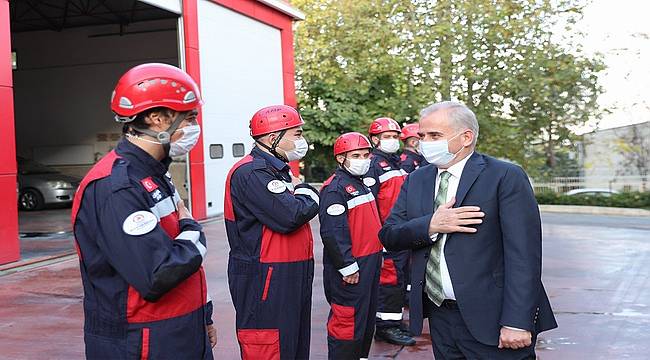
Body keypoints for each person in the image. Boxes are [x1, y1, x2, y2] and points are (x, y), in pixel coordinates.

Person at [379, 101, 558, 359]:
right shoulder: (417, 179)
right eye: (422, 136)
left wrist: (517, 321)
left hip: (495, 320)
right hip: (441, 318)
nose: (424, 142)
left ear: (466, 137)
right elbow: (390, 235)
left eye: (434, 135)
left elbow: (524, 256)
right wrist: (430, 225)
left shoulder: (504, 176)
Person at [71, 63, 216, 359]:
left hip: (177, 330)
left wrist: (205, 316)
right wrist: (193, 232)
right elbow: (157, 275)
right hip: (143, 340)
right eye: (189, 117)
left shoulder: (153, 174)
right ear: (157, 118)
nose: (194, 127)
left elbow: (179, 262)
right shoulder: (116, 187)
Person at [223, 105, 320, 359]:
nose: (302, 141)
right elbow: (291, 215)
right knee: (269, 347)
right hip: (266, 277)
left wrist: (301, 194)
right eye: (297, 134)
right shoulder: (253, 172)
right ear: (271, 138)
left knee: (294, 344)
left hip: (289, 271)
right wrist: (308, 191)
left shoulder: (277, 169)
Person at [319, 132, 384, 360]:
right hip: (352, 267)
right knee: (347, 323)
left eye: (366, 154)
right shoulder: (335, 189)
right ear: (340, 158)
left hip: (370, 261)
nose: (363, 159)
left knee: (364, 320)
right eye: (356, 155)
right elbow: (333, 232)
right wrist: (347, 266)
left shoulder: (360, 184)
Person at [364, 117, 415, 346]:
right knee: (390, 281)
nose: (393, 141)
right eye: (387, 137)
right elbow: (370, 204)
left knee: (399, 279)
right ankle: (386, 327)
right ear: (375, 139)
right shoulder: (374, 164)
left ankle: (394, 321)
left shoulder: (394, 163)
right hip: (387, 235)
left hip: (400, 233)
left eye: (396, 137)